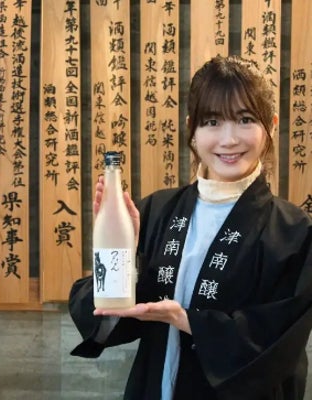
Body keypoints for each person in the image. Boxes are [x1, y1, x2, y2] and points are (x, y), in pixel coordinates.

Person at [69, 55, 312, 399]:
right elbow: (102, 315)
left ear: (270, 125)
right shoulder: (156, 211)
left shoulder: (293, 232)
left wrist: (188, 321)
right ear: (192, 130)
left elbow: (280, 340)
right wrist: (121, 257)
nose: (228, 139)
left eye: (245, 119)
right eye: (212, 122)